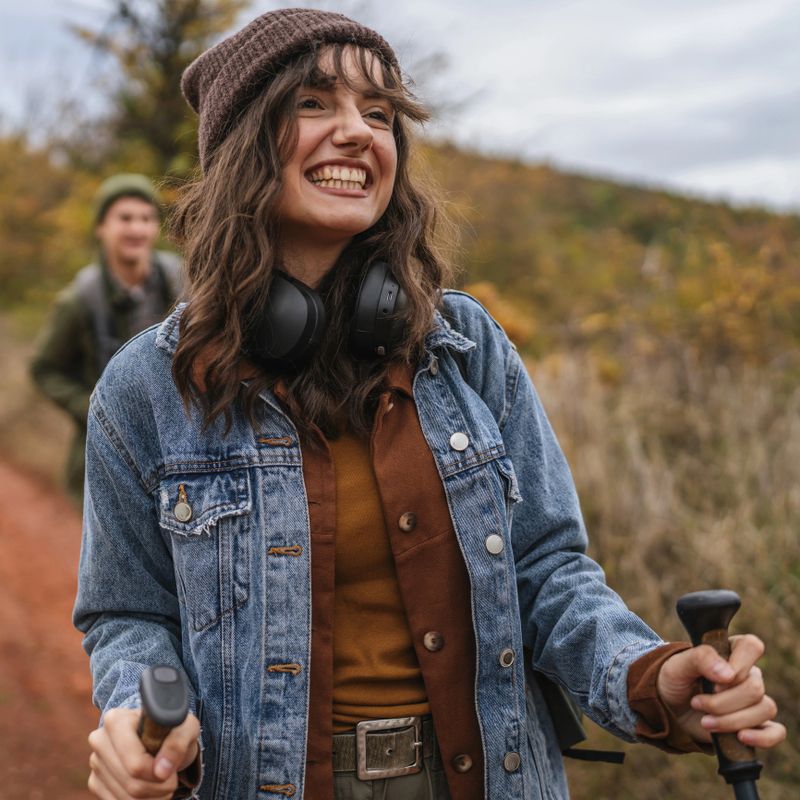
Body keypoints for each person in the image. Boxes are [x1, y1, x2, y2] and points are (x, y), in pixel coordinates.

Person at [74, 9, 785, 800]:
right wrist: (139, 716)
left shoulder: (468, 348)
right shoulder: (147, 385)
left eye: (379, 115)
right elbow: (126, 614)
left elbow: (548, 573)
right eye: (314, 103)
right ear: (242, 143)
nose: (357, 132)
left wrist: (652, 677)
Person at [30, 174, 182, 505]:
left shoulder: (182, 281)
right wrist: (92, 409)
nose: (137, 229)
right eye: (125, 218)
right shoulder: (80, 299)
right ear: (102, 227)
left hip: (181, 454)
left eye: (146, 218)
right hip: (108, 461)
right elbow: (44, 368)